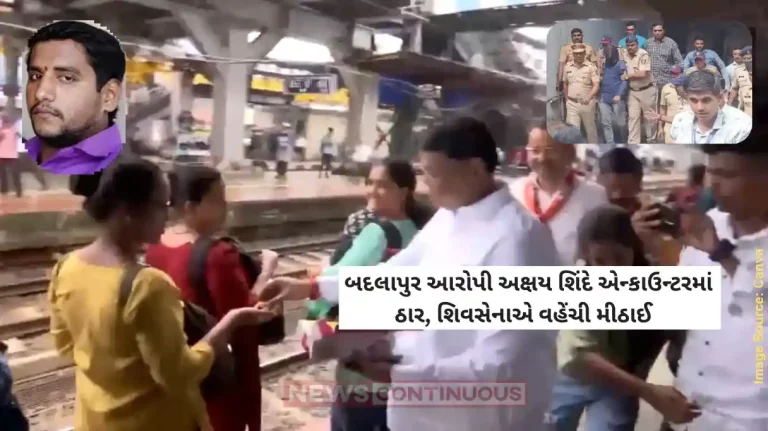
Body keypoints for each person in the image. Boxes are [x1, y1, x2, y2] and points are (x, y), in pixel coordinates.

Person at [261, 117, 562, 431]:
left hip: (477, 419)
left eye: (432, 173)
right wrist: (311, 288)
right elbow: (396, 275)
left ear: (474, 169)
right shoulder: (449, 217)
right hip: (416, 409)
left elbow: (505, 362)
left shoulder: (520, 240)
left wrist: (402, 374)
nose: (424, 184)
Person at [47, 158, 275, 431]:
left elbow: (65, 346)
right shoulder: (147, 285)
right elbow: (179, 374)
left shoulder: (66, 267)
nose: (168, 216)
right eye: (161, 205)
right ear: (130, 211)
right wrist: (229, 324)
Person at [144, 166, 279, 431]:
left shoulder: (155, 247)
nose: (226, 206)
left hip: (177, 378)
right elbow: (245, 319)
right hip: (217, 387)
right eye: (217, 200)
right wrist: (267, 272)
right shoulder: (219, 255)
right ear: (190, 207)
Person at [548, 205, 700, 431]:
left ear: (634, 250)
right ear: (586, 259)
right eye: (600, 261)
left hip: (620, 381)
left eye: (619, 258)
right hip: (571, 378)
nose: (612, 271)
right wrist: (650, 392)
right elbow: (578, 357)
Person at [309, 160, 431, 431]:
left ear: (404, 191)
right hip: (403, 359)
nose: (372, 190)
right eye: (370, 183)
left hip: (362, 368)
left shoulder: (377, 233)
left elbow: (329, 286)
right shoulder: (424, 232)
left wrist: (315, 290)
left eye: (382, 185)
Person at [670, 143, 768, 431]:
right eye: (711, 172)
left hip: (748, 418)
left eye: (727, 174)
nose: (713, 184)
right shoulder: (709, 223)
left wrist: (722, 256)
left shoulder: (711, 237)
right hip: (689, 409)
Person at [24, 21, 125, 175]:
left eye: (66, 78)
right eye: (36, 76)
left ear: (109, 96)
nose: (41, 93)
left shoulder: (132, 181)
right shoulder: (23, 154)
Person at [510, 121, 606, 265]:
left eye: (551, 150)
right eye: (535, 151)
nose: (542, 158)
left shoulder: (594, 196)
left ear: (570, 153)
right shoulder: (514, 192)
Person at [669, 71, 752, 144]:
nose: (699, 108)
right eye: (694, 100)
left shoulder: (741, 126)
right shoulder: (680, 121)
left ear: (719, 98)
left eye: (706, 100)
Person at [563, 44, 600, 143]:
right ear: (573, 54)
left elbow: (596, 85)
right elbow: (565, 84)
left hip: (587, 103)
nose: (578, 55)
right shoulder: (567, 67)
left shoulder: (591, 67)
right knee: (572, 132)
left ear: (584, 53)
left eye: (580, 53)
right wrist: (567, 99)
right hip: (572, 104)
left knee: (590, 131)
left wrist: (589, 97)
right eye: (576, 53)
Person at [623, 36, 656, 143]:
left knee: (649, 118)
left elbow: (642, 73)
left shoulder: (643, 54)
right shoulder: (624, 54)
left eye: (632, 45)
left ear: (637, 44)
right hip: (633, 91)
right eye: (628, 45)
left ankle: (651, 140)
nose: (630, 47)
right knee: (633, 118)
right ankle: (633, 142)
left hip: (646, 90)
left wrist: (627, 75)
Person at [597, 41, 628, 144]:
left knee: (621, 124)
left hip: (617, 98)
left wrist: (619, 95)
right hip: (604, 98)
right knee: (606, 123)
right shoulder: (604, 64)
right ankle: (610, 143)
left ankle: (624, 142)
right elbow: (600, 78)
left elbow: (625, 81)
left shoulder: (621, 64)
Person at [647, 70, 688, 143]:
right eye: (676, 85)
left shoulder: (694, 103)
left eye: (678, 85)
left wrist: (660, 117)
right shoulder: (666, 88)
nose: (676, 88)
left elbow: (682, 121)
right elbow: (676, 119)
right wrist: (660, 122)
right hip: (670, 129)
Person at [645, 23, 683, 88]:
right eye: (655, 31)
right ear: (652, 31)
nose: (657, 33)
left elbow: (679, 61)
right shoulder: (648, 43)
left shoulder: (671, 43)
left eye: (659, 30)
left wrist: (677, 78)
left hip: (667, 80)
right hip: (651, 81)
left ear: (664, 31)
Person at [0, 114, 21, 198]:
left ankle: (7, 190)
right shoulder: (13, 130)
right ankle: (16, 191)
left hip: (7, 155)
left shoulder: (10, 130)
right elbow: (19, 136)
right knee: (10, 174)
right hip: (9, 155)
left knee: (6, 174)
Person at [728, 46, 752, 115]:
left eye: (749, 58)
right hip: (745, 108)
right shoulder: (738, 71)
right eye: (745, 58)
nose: (747, 61)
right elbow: (734, 89)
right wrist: (729, 104)